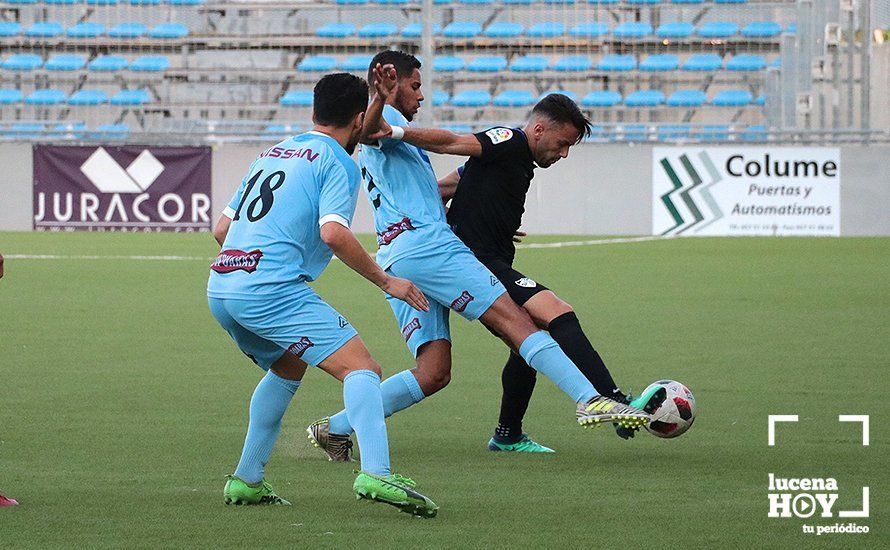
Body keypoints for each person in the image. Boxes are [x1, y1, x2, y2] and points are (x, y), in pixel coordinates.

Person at [307, 51, 649, 462]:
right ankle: (589, 399)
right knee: (518, 321)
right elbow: (371, 130)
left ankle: (335, 428)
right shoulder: (390, 124)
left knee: (434, 372)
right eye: (415, 86)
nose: (420, 96)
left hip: (399, 254)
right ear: (390, 83)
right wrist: (378, 100)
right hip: (429, 248)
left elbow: (431, 189)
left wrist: (493, 216)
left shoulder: (398, 139)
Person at [208, 69, 437, 517]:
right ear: (358, 121)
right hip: (270, 290)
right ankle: (377, 472)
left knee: (288, 365)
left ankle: (247, 480)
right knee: (363, 368)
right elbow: (333, 232)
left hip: (222, 287)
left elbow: (222, 230)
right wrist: (387, 280)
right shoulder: (338, 161)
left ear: (313, 111)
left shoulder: (272, 153)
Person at [390, 93, 668, 452]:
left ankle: (507, 435)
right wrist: (396, 132)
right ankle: (609, 397)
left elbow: (445, 188)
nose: (564, 153)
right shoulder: (509, 141)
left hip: (487, 255)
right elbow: (454, 142)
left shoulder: (517, 159)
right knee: (557, 312)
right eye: (562, 143)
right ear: (538, 129)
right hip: (476, 261)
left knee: (525, 342)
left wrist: (493, 220)